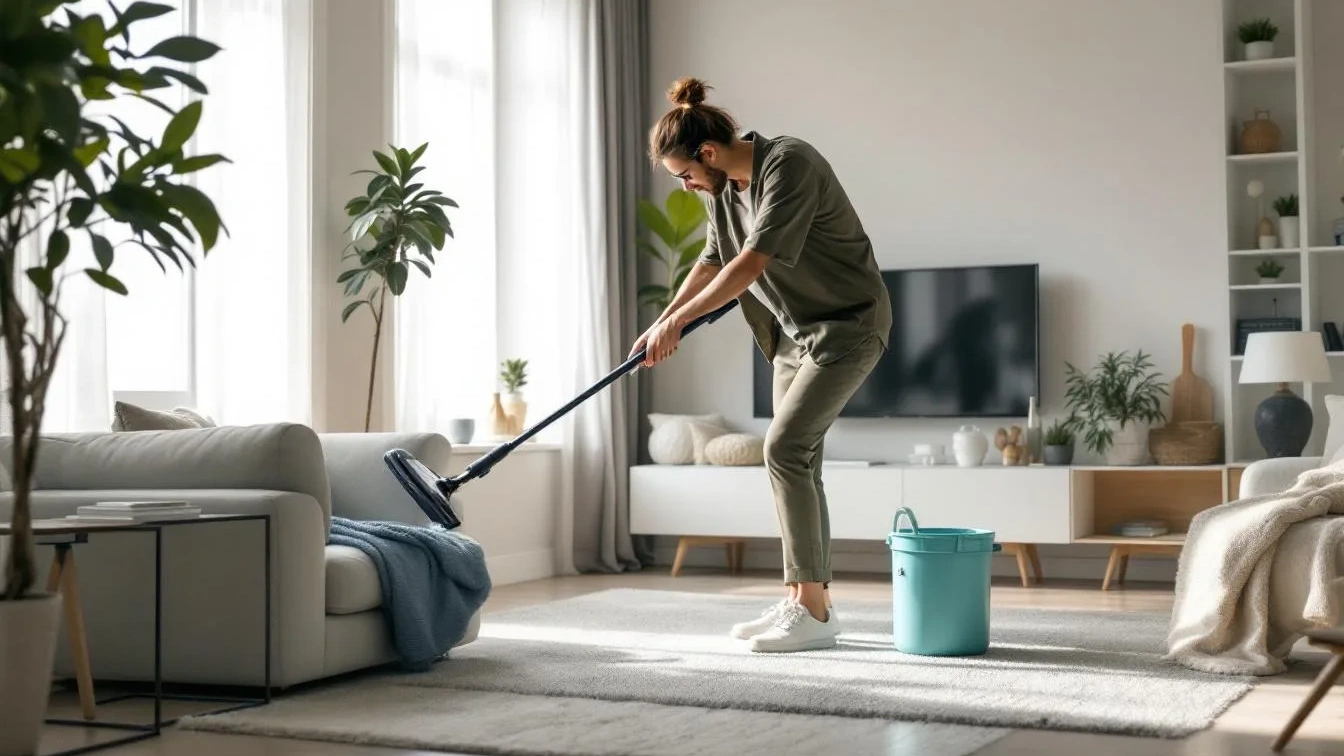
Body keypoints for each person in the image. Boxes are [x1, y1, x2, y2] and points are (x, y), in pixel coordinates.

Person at [631, 77, 892, 653]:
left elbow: (749, 264)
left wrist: (676, 323)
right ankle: (805, 600)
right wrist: (662, 321)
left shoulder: (789, 163)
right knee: (799, 463)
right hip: (793, 339)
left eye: (684, 173)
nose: (686, 184)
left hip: (849, 327)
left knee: (783, 449)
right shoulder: (723, 191)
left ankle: (815, 612)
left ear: (708, 152)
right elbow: (710, 260)